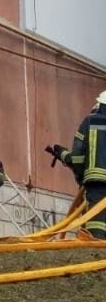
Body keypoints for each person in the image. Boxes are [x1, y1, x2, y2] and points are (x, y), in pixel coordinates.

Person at [47, 91, 106, 239]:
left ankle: (96, 251)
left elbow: (77, 158)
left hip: (97, 184)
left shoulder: (90, 122)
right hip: (95, 182)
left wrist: (62, 155)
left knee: (96, 222)